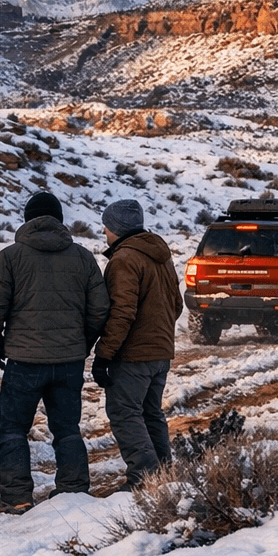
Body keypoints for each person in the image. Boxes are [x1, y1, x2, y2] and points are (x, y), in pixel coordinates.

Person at [0, 191, 110, 513]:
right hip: (68, 361)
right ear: (59, 220)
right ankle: (74, 489)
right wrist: (82, 342)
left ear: (28, 219)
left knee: (13, 430)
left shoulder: (11, 257)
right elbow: (100, 309)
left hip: (24, 361)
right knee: (67, 429)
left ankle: (17, 497)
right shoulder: (83, 257)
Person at [92, 198, 183, 487]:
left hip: (133, 355)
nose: (104, 232)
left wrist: (104, 354)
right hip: (161, 352)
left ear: (118, 228)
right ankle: (164, 476)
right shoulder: (161, 255)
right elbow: (177, 304)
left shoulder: (124, 259)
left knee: (124, 413)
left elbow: (122, 312)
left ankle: (145, 477)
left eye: (107, 227)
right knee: (150, 413)